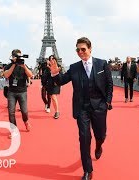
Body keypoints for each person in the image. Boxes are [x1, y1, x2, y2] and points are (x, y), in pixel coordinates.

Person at [48, 37, 113, 180]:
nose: (80, 52)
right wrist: (54, 73)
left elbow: (109, 83)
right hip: (82, 108)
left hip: (99, 107)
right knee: (84, 138)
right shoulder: (74, 67)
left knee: (100, 135)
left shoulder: (102, 64)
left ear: (90, 49)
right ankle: (88, 171)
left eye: (83, 49)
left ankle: (99, 145)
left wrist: (107, 102)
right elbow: (61, 81)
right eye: (77, 49)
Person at [3, 49, 33, 138]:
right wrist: (13, 64)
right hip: (11, 92)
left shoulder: (24, 66)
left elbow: (31, 75)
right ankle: (14, 130)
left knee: (24, 111)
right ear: (12, 57)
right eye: (17, 56)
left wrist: (24, 66)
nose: (19, 58)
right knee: (11, 112)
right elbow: (6, 75)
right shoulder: (8, 66)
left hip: (22, 91)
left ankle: (26, 121)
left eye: (20, 56)